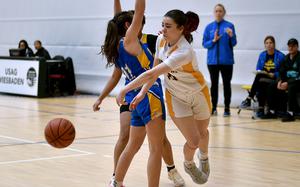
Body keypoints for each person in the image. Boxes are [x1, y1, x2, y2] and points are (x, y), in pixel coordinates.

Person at [117, 9, 210, 185]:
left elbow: (151, 72)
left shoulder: (184, 52)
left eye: (168, 26)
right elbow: (152, 75)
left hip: (198, 94)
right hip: (176, 97)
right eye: (162, 26)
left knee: (203, 133)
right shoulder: (161, 41)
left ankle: (203, 157)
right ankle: (188, 164)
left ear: (181, 29)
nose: (163, 30)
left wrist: (125, 89)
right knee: (194, 140)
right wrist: (142, 93)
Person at [99, 1, 184, 186]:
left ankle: (116, 182)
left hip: (135, 99)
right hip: (149, 94)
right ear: (129, 26)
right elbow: (140, 10)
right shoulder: (130, 40)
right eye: (134, 22)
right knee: (155, 148)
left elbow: (119, 18)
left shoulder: (118, 45)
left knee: (132, 146)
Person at [202, 4, 237, 117]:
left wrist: (231, 36)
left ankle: (227, 108)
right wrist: (213, 40)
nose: (218, 13)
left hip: (226, 61)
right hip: (212, 62)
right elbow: (204, 43)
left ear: (224, 12)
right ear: (214, 12)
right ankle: (213, 108)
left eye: (220, 11)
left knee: (227, 85)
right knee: (214, 85)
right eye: (216, 11)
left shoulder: (229, 26)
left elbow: (234, 43)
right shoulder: (209, 27)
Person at [240, 36, 285, 117]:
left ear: (274, 44)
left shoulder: (280, 55)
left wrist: (274, 74)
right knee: (260, 81)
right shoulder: (262, 55)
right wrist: (262, 72)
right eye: (266, 43)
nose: (269, 45)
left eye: (270, 43)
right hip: (264, 78)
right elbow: (258, 68)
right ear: (265, 45)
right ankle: (260, 109)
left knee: (259, 79)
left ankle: (250, 99)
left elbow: (283, 71)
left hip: (275, 79)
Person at [267, 38, 300, 122]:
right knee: (271, 85)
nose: (291, 48)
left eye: (293, 46)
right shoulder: (286, 58)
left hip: (297, 81)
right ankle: (272, 111)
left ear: (297, 47)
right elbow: (281, 72)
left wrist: (287, 83)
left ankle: (291, 113)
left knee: (291, 86)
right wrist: (280, 81)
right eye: (289, 46)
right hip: (287, 81)